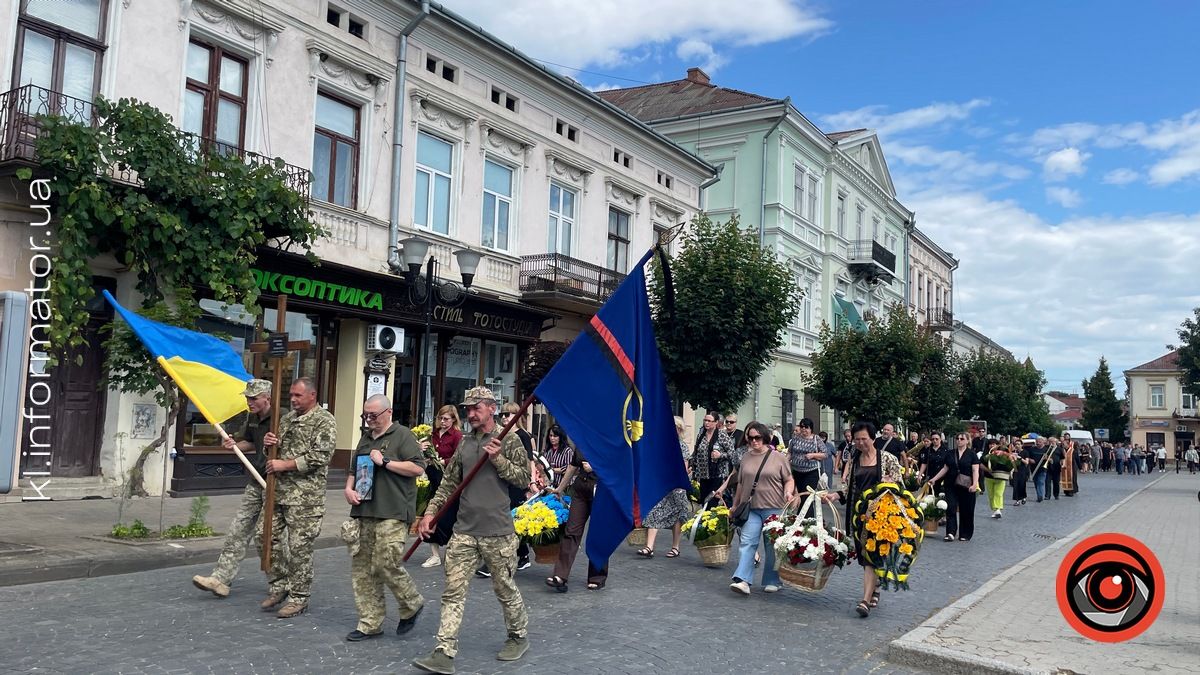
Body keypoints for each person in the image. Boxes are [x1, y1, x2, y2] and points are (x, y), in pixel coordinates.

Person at [413, 387, 531, 674]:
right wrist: (430, 513)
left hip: (498, 531)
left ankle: (518, 635)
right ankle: (444, 650)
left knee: (504, 588)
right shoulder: (465, 444)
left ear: (491, 408)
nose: (470, 413)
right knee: (453, 591)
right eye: (467, 408)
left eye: (476, 407)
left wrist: (499, 460)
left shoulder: (510, 439)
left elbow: (524, 479)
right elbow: (449, 483)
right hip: (464, 530)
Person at [344, 395, 426, 642]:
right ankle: (370, 623)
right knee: (363, 571)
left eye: (373, 416)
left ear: (388, 412)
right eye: (365, 415)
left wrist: (387, 462)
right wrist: (348, 489)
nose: (369, 420)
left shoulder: (402, 435)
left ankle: (411, 603)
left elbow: (418, 467)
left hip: (393, 510)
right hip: (365, 510)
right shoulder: (366, 437)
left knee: (385, 562)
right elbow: (353, 469)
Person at [192, 379, 278, 598]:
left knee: (267, 535)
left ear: (267, 397)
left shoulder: (282, 417)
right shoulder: (252, 418)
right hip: (255, 480)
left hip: (277, 483)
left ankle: (280, 582)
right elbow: (249, 442)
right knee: (238, 529)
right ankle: (220, 579)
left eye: (254, 398)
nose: (249, 402)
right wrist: (234, 445)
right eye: (247, 398)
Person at [262, 377, 337, 618]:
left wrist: (284, 464)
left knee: (299, 548)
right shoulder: (286, 419)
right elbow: (276, 451)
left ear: (312, 396)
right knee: (264, 537)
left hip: (306, 497)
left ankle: (299, 597)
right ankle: (280, 585)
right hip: (279, 492)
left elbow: (320, 457)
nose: (293, 400)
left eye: (298, 395)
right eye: (291, 395)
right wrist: (268, 445)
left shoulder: (324, 421)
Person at [823, 421, 902, 618]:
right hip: (859, 516)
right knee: (864, 556)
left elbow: (901, 487)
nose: (859, 443)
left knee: (871, 558)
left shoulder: (887, 459)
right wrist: (836, 496)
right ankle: (874, 588)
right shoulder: (854, 459)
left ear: (872, 438)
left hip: (880, 516)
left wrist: (890, 484)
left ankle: (865, 600)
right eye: (857, 439)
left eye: (863, 439)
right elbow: (850, 487)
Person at [722, 422, 793, 595]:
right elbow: (740, 483)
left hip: (774, 507)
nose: (754, 441)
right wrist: (736, 504)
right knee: (747, 542)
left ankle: (772, 580)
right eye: (750, 438)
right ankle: (743, 580)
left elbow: (789, 479)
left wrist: (788, 494)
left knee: (772, 546)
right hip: (751, 507)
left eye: (757, 437)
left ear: (765, 438)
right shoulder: (746, 457)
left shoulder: (778, 458)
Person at [546, 446, 608, 592]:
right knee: (571, 531)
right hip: (581, 489)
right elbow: (572, 466)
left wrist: (595, 467)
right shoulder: (582, 439)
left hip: (601, 489)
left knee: (598, 534)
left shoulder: (606, 439)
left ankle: (597, 576)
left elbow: (617, 465)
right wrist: (559, 489)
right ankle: (560, 575)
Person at [639, 416, 693, 559]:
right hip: (661, 485)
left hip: (676, 487)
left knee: (677, 516)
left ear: (679, 430)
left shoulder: (682, 447)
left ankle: (675, 547)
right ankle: (649, 547)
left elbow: (684, 468)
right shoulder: (660, 444)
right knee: (654, 512)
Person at [420, 406, 464, 569]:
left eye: (446, 419)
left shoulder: (457, 436)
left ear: (453, 420)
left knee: (446, 518)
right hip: (432, 477)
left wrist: (444, 461)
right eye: (440, 418)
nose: (443, 422)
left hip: (448, 480)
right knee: (430, 515)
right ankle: (434, 555)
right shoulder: (431, 435)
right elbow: (424, 456)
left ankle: (451, 550)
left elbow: (458, 457)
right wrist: (421, 450)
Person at [941, 432, 980, 541]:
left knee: (966, 510)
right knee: (951, 508)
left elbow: (975, 470)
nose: (959, 440)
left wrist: (974, 484)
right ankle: (950, 532)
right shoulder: (950, 453)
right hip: (951, 484)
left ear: (967, 441)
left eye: (962, 439)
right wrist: (934, 479)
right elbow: (945, 468)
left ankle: (965, 533)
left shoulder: (972, 454)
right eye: (957, 438)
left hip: (966, 485)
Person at [690, 412, 734, 508]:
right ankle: (704, 521)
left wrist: (720, 455)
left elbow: (732, 453)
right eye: (705, 420)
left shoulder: (721, 435)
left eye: (709, 421)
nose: (706, 423)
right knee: (704, 501)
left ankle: (711, 521)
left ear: (716, 422)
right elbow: (696, 451)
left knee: (712, 501)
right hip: (703, 474)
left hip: (717, 474)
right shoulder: (701, 434)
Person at [786, 418, 825, 514]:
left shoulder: (816, 439)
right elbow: (790, 452)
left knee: (807, 497)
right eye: (802, 427)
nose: (804, 429)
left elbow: (825, 454)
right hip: (797, 471)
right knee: (800, 495)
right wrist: (784, 462)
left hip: (811, 472)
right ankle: (803, 520)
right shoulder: (795, 439)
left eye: (806, 427)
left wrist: (813, 455)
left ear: (811, 428)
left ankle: (806, 520)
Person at [980, 439, 1011, 518]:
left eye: (994, 444)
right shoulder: (985, 454)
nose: (992, 445)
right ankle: (994, 509)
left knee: (998, 493)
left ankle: (998, 509)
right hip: (989, 477)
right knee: (991, 495)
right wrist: (988, 470)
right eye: (990, 444)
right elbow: (980, 464)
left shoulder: (1003, 452)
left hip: (1001, 476)